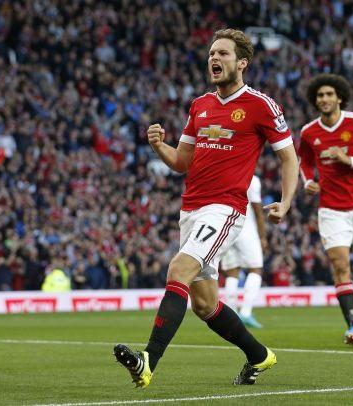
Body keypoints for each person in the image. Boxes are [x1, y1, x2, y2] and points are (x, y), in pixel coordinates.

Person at [113, 29, 298, 387]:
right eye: (212, 53)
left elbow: (289, 158)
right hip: (191, 210)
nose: (214, 59)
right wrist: (158, 147)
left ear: (242, 62)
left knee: (178, 269)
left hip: (225, 208)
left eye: (223, 54)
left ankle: (147, 360)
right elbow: (182, 162)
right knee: (203, 304)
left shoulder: (261, 105)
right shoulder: (200, 105)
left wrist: (286, 202)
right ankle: (260, 356)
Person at [299, 73, 353, 348]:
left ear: (339, 97)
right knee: (339, 265)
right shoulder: (308, 132)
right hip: (331, 208)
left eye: (329, 94)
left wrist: (349, 160)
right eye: (319, 96)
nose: (324, 99)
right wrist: (308, 181)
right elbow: (304, 162)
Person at [221, 175, 268, 328]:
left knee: (232, 272)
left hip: (225, 228)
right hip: (245, 228)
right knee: (256, 268)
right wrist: (262, 236)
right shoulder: (251, 178)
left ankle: (232, 316)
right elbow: (257, 209)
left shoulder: (224, 174)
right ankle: (246, 312)